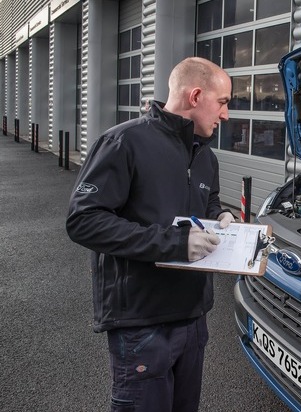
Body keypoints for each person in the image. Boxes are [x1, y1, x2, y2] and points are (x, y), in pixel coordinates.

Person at [66, 57, 235, 412]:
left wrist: (219, 214)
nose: (226, 115)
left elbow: (207, 201)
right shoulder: (123, 142)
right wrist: (174, 244)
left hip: (192, 318)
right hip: (142, 323)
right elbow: (84, 219)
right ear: (196, 96)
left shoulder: (205, 154)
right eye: (222, 103)